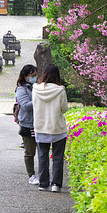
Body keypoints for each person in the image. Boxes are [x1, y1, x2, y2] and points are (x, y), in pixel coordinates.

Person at [32, 64, 68, 193]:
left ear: (44, 74)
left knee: (42, 156)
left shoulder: (35, 89)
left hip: (41, 127)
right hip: (57, 127)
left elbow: (35, 107)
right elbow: (65, 109)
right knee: (57, 157)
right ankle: (56, 184)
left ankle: (43, 183)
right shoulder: (60, 90)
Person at [15, 64, 39, 185]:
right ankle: (31, 174)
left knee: (42, 151)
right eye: (32, 75)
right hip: (28, 125)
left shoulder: (35, 87)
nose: (35, 78)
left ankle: (42, 174)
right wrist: (38, 98)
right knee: (30, 152)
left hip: (39, 124)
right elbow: (25, 106)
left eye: (36, 75)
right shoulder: (21, 90)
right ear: (25, 76)